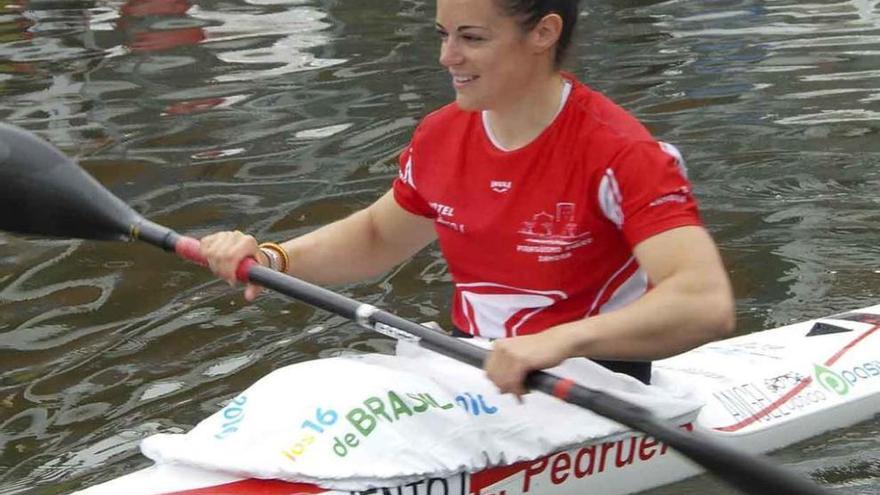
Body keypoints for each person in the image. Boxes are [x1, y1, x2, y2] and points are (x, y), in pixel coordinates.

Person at [201, 0, 735, 397]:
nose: (446, 57)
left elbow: (703, 302)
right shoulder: (441, 134)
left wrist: (561, 341)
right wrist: (274, 258)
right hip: (470, 369)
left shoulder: (622, 153)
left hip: (592, 387)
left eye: (471, 38)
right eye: (443, 34)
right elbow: (378, 235)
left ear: (544, 32)